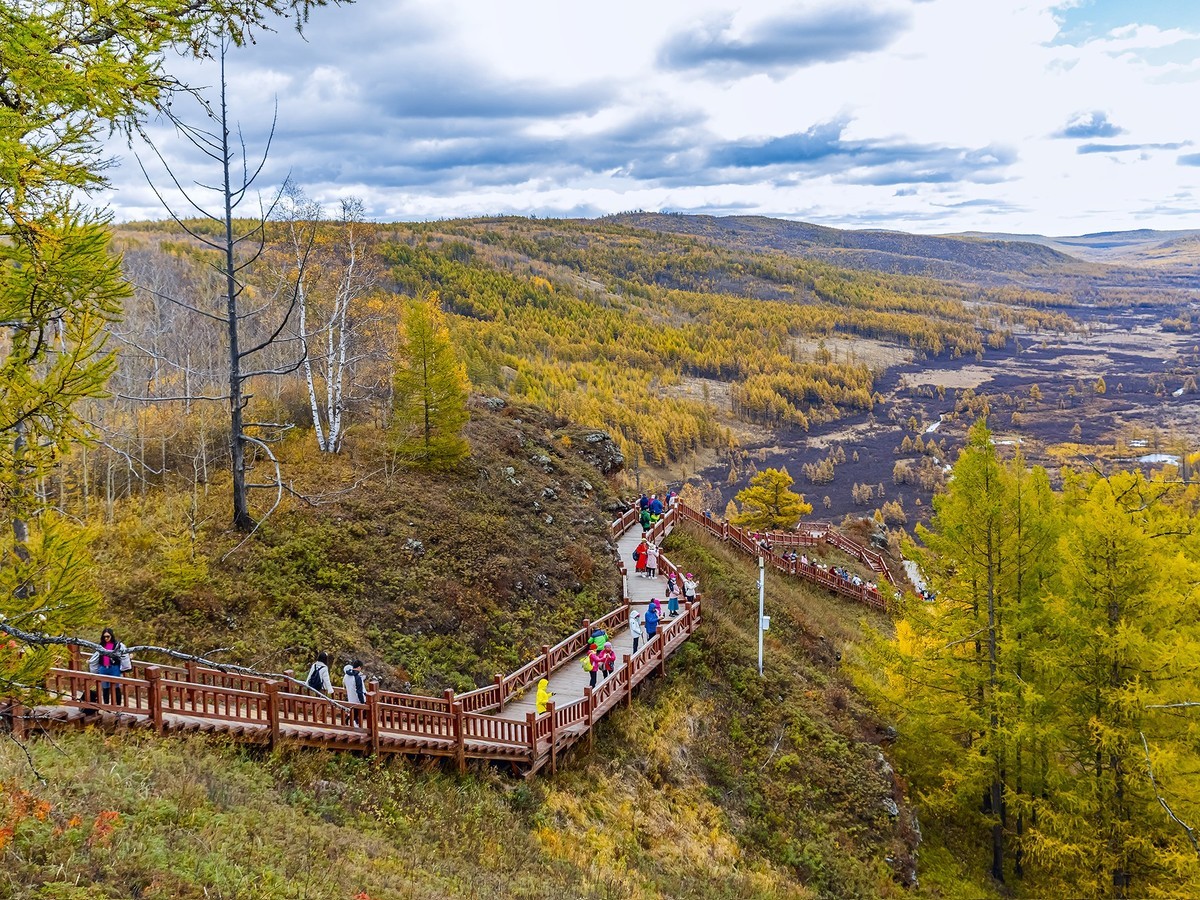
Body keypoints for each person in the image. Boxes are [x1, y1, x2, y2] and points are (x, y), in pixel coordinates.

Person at [94, 628, 129, 705]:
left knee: (116, 687)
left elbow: (124, 655)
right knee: (105, 688)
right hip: (103, 668)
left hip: (114, 668)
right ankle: (106, 705)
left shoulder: (117, 645)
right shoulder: (101, 645)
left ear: (111, 636)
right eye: (104, 637)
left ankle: (118, 705)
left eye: (108, 636)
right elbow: (96, 656)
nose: (106, 638)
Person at [343, 660, 366, 725]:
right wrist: (362, 701)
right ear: (359, 667)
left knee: (354, 714)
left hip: (350, 698)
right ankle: (355, 726)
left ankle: (349, 722)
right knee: (358, 714)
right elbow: (359, 691)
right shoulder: (357, 677)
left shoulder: (346, 676)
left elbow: (345, 686)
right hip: (357, 700)